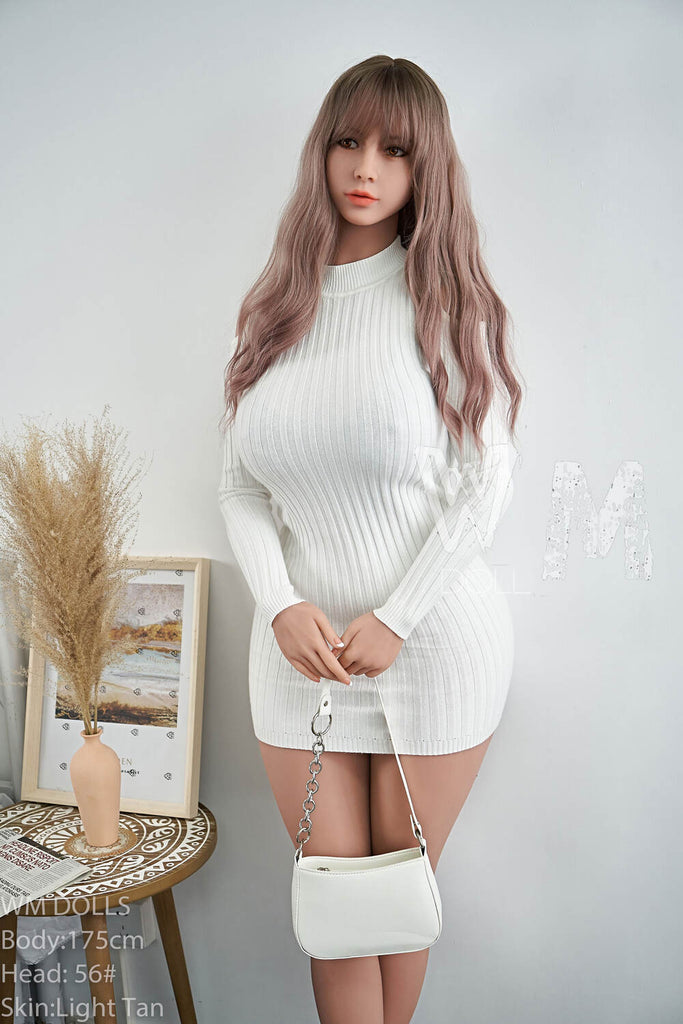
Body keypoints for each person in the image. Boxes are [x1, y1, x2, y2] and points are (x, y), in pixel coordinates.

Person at [218, 54, 525, 1024]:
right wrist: (278, 603)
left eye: (395, 150)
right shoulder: (277, 306)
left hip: (431, 645)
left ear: (423, 167)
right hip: (298, 656)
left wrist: (396, 615)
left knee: (393, 904)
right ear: (322, 151)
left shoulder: (441, 303)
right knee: (337, 910)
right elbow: (238, 483)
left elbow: (487, 481)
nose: (365, 167)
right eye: (349, 141)